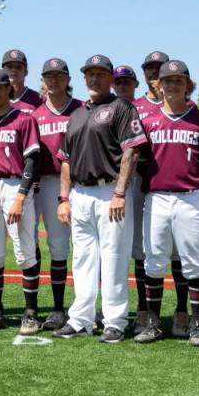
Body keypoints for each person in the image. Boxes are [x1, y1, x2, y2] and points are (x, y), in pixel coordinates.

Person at [54, 54, 146, 343]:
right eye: (89, 74)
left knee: (114, 258)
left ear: (110, 79)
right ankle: (80, 319)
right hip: (80, 193)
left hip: (110, 192)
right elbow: (66, 160)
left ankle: (114, 321)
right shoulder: (77, 114)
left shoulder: (121, 107)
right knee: (82, 259)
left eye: (100, 74)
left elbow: (131, 151)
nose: (94, 79)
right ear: (84, 79)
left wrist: (120, 192)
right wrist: (63, 198)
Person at [133, 60, 199, 347]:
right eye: (167, 81)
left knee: (193, 263)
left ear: (188, 85)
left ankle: (196, 324)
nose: (172, 85)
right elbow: (141, 162)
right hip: (156, 197)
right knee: (154, 262)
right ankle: (153, 323)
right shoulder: (148, 121)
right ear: (159, 85)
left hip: (190, 197)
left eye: (178, 81)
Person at [0, 68, 42, 333]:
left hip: (16, 185)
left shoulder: (24, 119)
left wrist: (21, 196)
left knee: (25, 252)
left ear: (8, 89)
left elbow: (32, 160)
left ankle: (31, 314)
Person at [30, 58, 81, 330]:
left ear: (67, 80)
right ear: (42, 80)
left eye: (59, 76)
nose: (53, 81)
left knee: (80, 247)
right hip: (45, 182)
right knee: (53, 247)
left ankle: (82, 308)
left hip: (77, 184)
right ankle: (55, 308)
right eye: (48, 76)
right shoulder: (35, 115)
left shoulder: (81, 109)